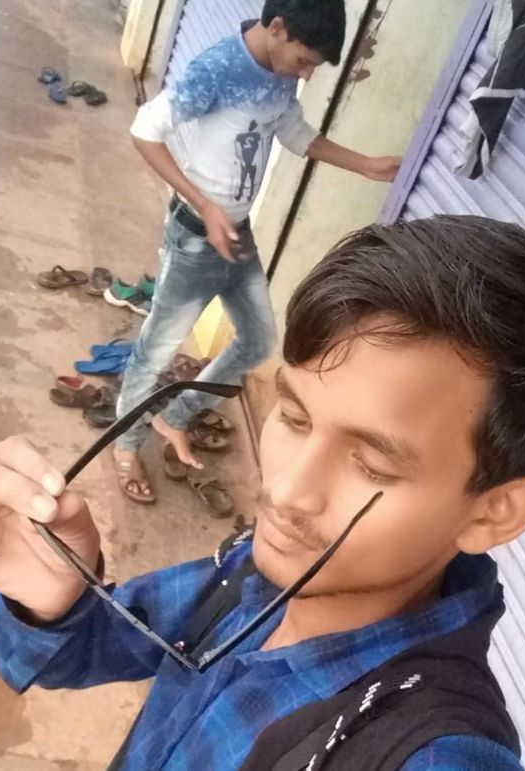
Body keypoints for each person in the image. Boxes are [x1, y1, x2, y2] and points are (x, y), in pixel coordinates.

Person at [0, 216, 525, 769]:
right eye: (293, 418)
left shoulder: (427, 753)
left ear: (495, 514)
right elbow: (90, 648)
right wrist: (54, 598)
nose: (285, 492)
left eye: (373, 465)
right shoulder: (250, 574)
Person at [113, 0, 401, 504]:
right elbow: (145, 131)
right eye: (304, 61)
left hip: (237, 235)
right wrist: (204, 205)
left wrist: (365, 165)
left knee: (258, 341)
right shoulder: (217, 69)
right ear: (278, 28)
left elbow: (293, 132)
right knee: (155, 351)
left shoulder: (279, 72)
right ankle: (125, 446)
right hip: (195, 236)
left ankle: (174, 417)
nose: (306, 74)